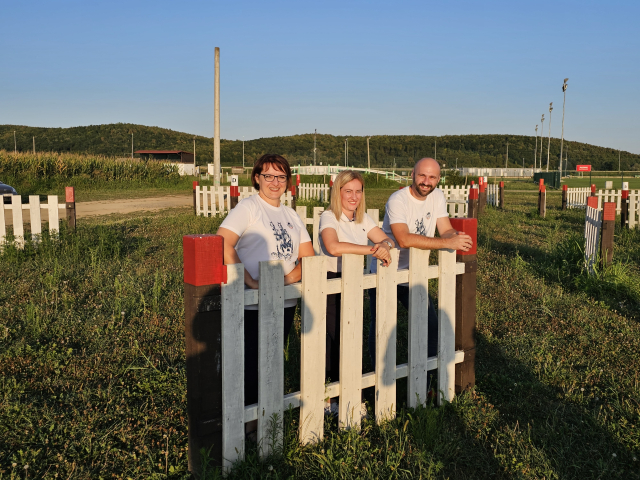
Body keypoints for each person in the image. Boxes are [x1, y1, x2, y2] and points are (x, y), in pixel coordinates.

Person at [216, 154, 314, 432]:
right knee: (250, 363)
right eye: (268, 175)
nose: (274, 182)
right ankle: (247, 426)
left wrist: (291, 276)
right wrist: (249, 280)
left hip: (284, 300)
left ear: (288, 181)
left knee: (272, 360)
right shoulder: (248, 207)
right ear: (257, 178)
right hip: (252, 302)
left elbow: (307, 255)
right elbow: (223, 240)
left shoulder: (291, 215)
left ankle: (265, 418)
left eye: (281, 176)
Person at [369, 158, 473, 391]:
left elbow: (445, 228)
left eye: (432, 177)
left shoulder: (437, 196)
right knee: (382, 329)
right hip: (386, 272)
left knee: (430, 327)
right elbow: (403, 239)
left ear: (438, 179)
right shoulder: (398, 200)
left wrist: (457, 237)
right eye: (422, 176)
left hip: (414, 274)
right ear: (412, 174)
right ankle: (379, 380)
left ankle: (422, 381)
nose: (427, 182)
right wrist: (445, 241)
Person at [319, 170, 395, 414]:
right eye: (348, 191)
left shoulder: (363, 219)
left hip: (354, 283)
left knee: (351, 336)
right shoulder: (329, 216)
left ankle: (349, 392)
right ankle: (330, 397)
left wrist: (384, 245)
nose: (353, 196)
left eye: (358, 191)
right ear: (338, 192)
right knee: (333, 338)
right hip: (330, 282)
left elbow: (387, 239)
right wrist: (372, 250)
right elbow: (332, 246)